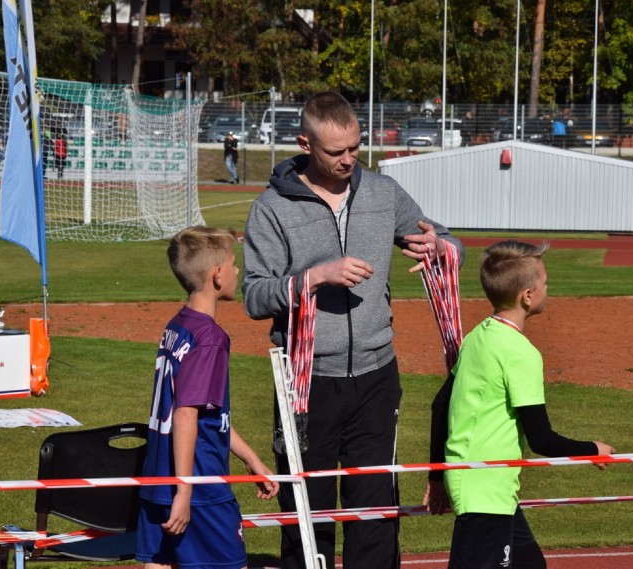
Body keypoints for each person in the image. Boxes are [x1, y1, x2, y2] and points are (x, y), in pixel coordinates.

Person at [242, 90, 464, 569]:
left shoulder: (383, 194)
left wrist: (439, 245)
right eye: (335, 151)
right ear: (305, 143)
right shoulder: (271, 208)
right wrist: (314, 277)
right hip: (305, 384)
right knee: (306, 508)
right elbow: (255, 296)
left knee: (375, 510)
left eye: (355, 148)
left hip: (376, 376)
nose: (348, 160)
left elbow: (446, 240)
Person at [443, 240, 615, 569]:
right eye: (545, 283)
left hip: (486, 485)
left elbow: (441, 405)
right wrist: (592, 450)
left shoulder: (477, 336)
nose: (547, 288)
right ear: (527, 295)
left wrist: (438, 477)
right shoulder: (521, 353)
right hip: (485, 489)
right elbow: (541, 439)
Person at [136, 226, 279, 569]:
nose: (237, 271)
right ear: (217, 275)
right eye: (233, 264)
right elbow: (186, 414)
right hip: (199, 485)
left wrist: (251, 458)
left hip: (159, 478)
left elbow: (208, 415)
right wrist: (185, 492)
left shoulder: (178, 325)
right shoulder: (210, 338)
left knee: (159, 564)